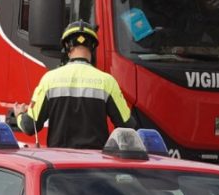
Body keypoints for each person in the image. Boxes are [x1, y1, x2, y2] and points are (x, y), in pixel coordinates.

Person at [11, 20, 132, 150]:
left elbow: (29, 127)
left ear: (67, 47)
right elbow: (128, 127)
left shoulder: (49, 80)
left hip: (60, 165)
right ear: (92, 47)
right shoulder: (107, 82)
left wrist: (19, 115)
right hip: (96, 165)